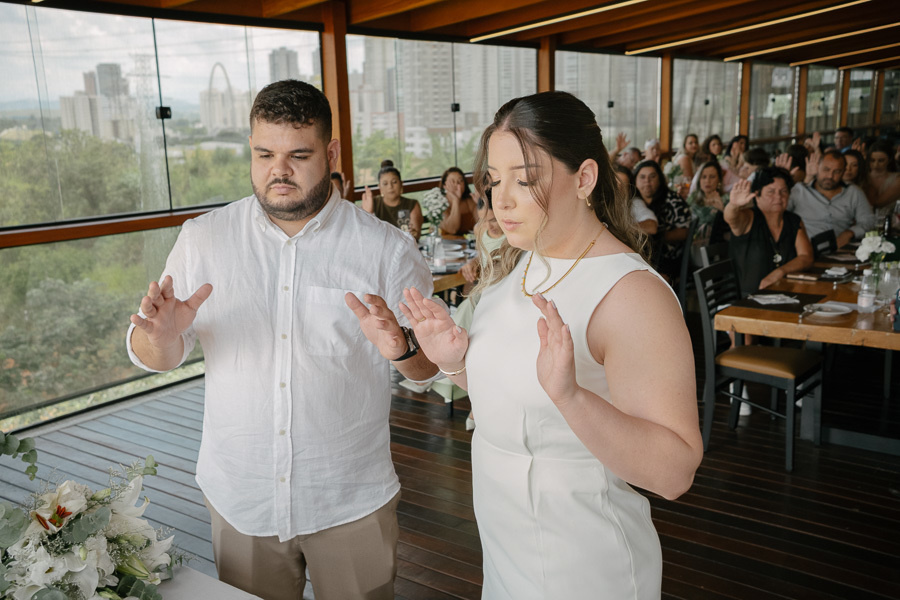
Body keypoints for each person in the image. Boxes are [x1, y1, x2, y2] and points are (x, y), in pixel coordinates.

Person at [127, 79, 436, 600]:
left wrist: (403, 349)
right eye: (265, 154)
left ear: (331, 153)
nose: (279, 171)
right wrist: (160, 337)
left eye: (298, 155)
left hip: (350, 497)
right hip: (241, 496)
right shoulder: (203, 239)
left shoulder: (386, 249)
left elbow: (430, 369)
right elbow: (154, 354)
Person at [394, 90, 702, 599]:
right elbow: (519, 405)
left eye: (525, 179)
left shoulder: (631, 294)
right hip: (504, 550)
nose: (501, 200)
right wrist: (453, 364)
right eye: (494, 180)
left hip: (582, 564)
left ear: (584, 178)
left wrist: (571, 397)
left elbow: (675, 472)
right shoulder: (520, 265)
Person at [726, 168, 814, 294]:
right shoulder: (748, 218)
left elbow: (806, 257)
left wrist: (780, 272)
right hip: (747, 298)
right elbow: (731, 218)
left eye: (783, 191)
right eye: (771, 192)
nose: (778, 197)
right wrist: (733, 205)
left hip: (785, 294)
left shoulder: (793, 220)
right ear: (757, 195)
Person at [787, 149, 874, 247]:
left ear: (843, 172)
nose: (830, 176)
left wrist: (850, 233)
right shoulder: (799, 191)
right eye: (826, 169)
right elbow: (778, 214)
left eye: (837, 171)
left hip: (840, 250)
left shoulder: (853, 192)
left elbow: (869, 222)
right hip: (805, 249)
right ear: (817, 167)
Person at [634, 159, 692, 281]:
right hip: (644, 256)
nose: (647, 181)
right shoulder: (633, 202)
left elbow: (684, 232)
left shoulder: (672, 199)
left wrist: (658, 238)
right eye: (642, 177)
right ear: (635, 180)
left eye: (652, 176)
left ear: (660, 179)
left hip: (669, 258)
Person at [362, 159, 423, 240]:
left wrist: (413, 233)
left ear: (401, 184)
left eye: (394, 182)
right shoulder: (373, 203)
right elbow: (364, 232)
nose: (390, 187)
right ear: (379, 187)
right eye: (385, 183)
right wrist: (369, 212)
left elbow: (416, 235)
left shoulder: (412, 204)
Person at [686, 160, 729, 245]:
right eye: (704, 177)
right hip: (691, 244)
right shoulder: (693, 197)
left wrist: (722, 209)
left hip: (716, 245)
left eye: (712, 177)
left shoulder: (726, 199)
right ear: (699, 180)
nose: (707, 181)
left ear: (719, 180)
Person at [615, 163, 657, 235]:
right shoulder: (597, 203)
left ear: (629, 190)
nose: (619, 190)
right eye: (615, 185)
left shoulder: (634, 203)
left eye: (624, 186)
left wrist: (618, 229)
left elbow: (652, 226)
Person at [864, 140, 900, 222]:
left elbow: (876, 203)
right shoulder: (862, 177)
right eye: (872, 160)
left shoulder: (897, 179)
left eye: (881, 160)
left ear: (889, 159)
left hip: (890, 223)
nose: (876, 164)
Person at [439, 166, 479, 235]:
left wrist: (481, 204)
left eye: (460, 181)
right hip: (447, 241)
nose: (457, 184)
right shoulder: (439, 204)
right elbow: (452, 230)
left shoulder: (470, 201)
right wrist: (455, 200)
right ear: (444, 185)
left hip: (470, 240)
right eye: (452, 182)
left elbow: (482, 223)